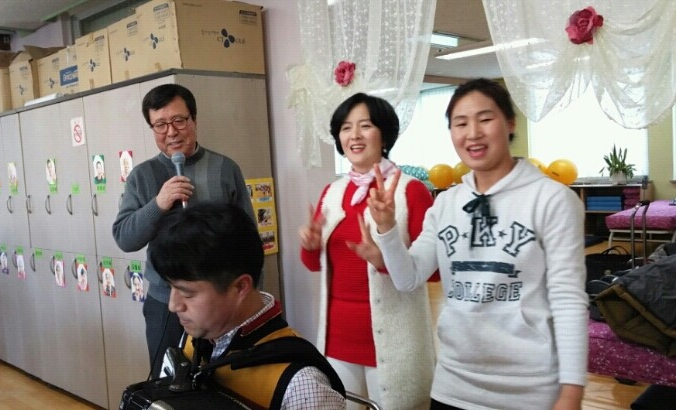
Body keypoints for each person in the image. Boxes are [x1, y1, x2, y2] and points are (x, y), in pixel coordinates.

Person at [358, 78, 589, 409]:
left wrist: (571, 392)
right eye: (460, 123)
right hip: (454, 384)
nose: (473, 133)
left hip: (530, 388)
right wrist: (387, 228)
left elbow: (568, 300)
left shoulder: (552, 199)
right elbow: (408, 278)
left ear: (510, 123)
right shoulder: (446, 203)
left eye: (485, 119)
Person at [299, 92, 437, 409]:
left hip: (393, 342)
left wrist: (383, 257)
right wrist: (311, 246)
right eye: (346, 128)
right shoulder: (332, 192)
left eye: (365, 126)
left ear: (384, 135)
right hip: (337, 338)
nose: (355, 135)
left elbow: (431, 272)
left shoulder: (410, 191)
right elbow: (316, 265)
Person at [112, 83, 255, 379]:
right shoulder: (142, 176)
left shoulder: (225, 169)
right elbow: (125, 238)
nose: (171, 132)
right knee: (169, 381)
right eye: (160, 125)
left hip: (221, 300)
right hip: (166, 303)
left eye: (179, 120)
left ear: (194, 119)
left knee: (227, 380)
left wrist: (248, 299)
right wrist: (159, 203)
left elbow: (248, 239)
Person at [149, 203, 346, 409]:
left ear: (240, 287)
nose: (173, 305)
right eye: (171, 287)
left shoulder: (301, 385)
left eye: (187, 293)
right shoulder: (192, 340)